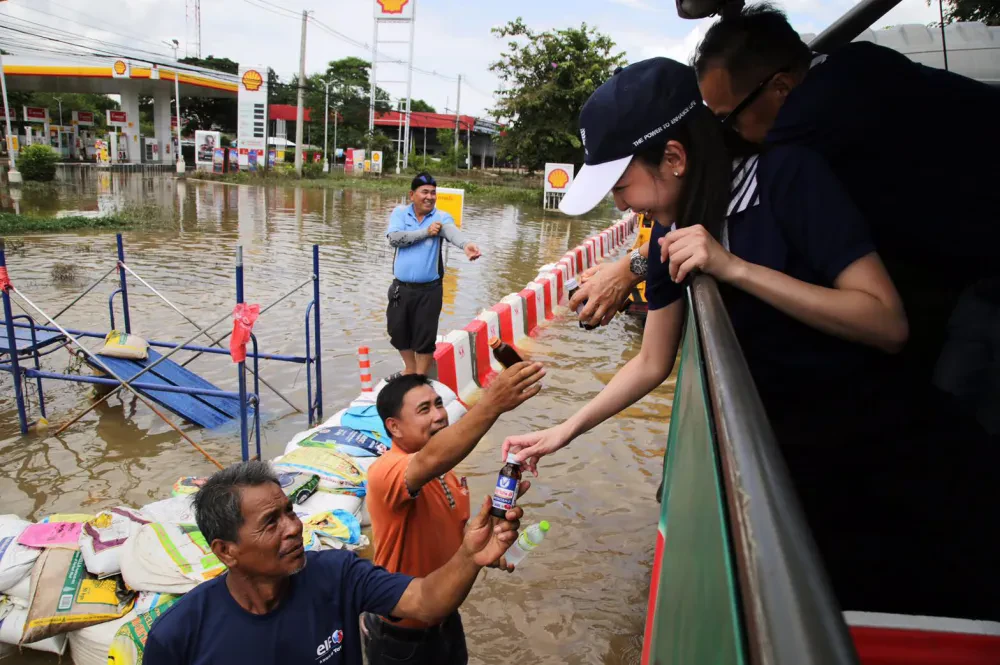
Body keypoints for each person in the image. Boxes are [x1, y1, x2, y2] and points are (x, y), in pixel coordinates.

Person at [508, 57, 991, 621]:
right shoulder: (666, 232)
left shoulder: (785, 178)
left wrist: (733, 268)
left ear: (674, 158)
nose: (619, 204)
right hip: (793, 466)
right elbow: (652, 361)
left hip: (890, 458)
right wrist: (562, 431)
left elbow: (886, 322)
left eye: (620, 185)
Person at [142, 460, 522, 665]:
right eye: (271, 523)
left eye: (290, 512)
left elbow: (425, 601)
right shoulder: (179, 636)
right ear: (226, 551)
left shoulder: (337, 574)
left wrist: (469, 556)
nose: (294, 528)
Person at [364, 365, 544, 664]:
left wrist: (489, 538)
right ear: (394, 427)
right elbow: (430, 458)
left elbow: (457, 541)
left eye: (439, 404)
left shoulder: (446, 475)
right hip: (401, 636)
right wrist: (492, 403)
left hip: (445, 617)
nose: (439, 415)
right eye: (424, 409)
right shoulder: (385, 471)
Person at [386, 172, 481, 376]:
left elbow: (451, 232)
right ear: (412, 195)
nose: (429, 197)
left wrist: (466, 245)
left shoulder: (441, 217)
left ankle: (419, 378)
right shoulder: (400, 213)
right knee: (397, 331)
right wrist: (425, 232)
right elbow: (394, 238)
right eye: (425, 192)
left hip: (429, 291)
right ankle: (410, 369)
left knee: (425, 337)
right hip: (400, 289)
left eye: (433, 193)